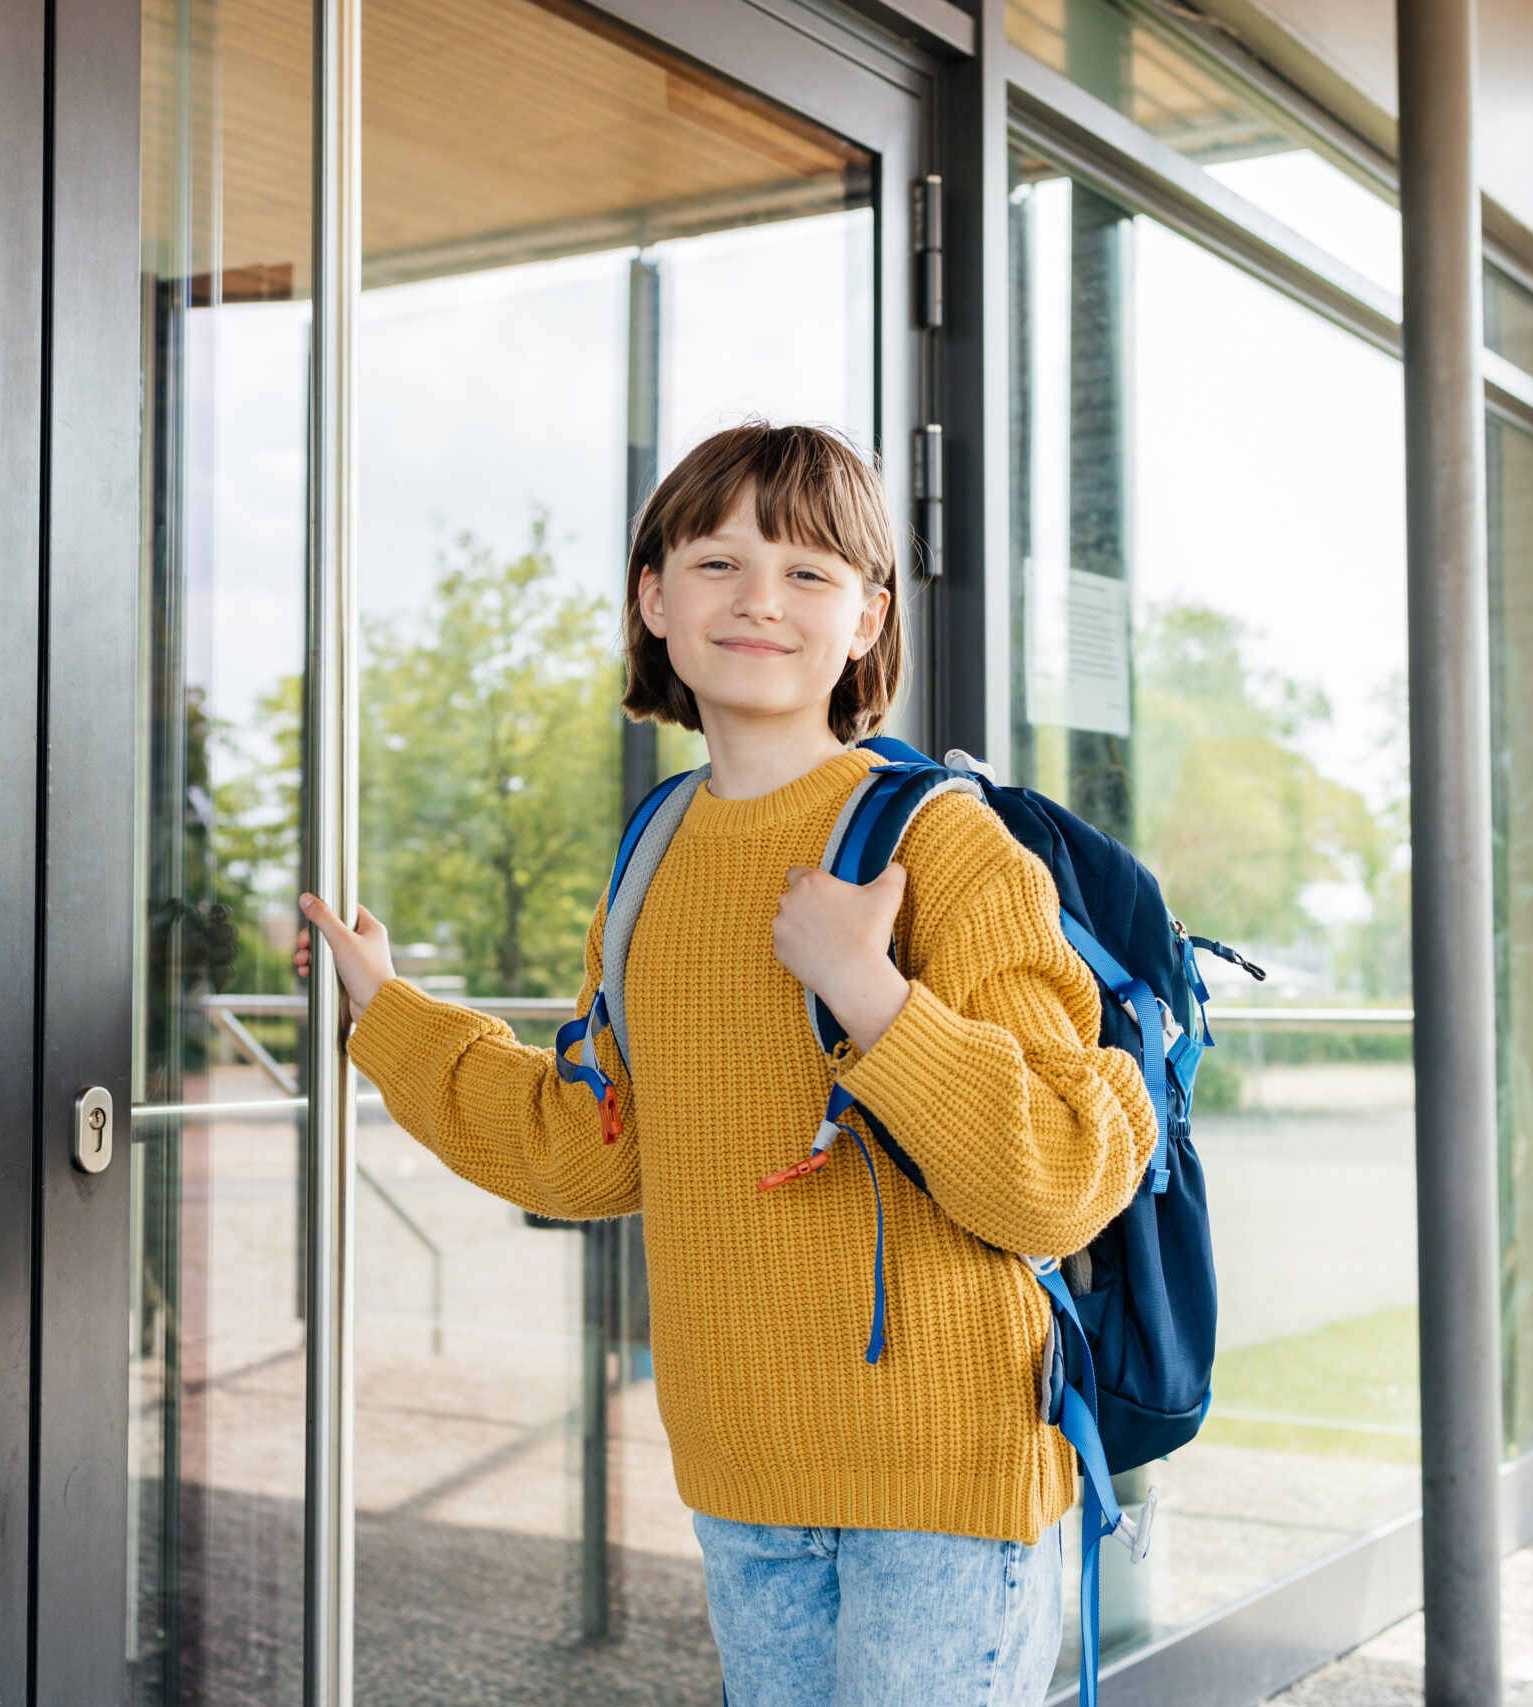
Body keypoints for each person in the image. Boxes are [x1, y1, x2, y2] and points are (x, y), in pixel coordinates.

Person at [298, 422, 1159, 1706]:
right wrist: (388, 1018)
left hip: (945, 1486)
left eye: (811, 573)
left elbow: (1057, 1179)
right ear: (654, 597)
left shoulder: (950, 849)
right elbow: (589, 1149)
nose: (760, 599)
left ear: (868, 619)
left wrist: (867, 990)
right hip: (742, 1476)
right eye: (716, 561)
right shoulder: (653, 854)